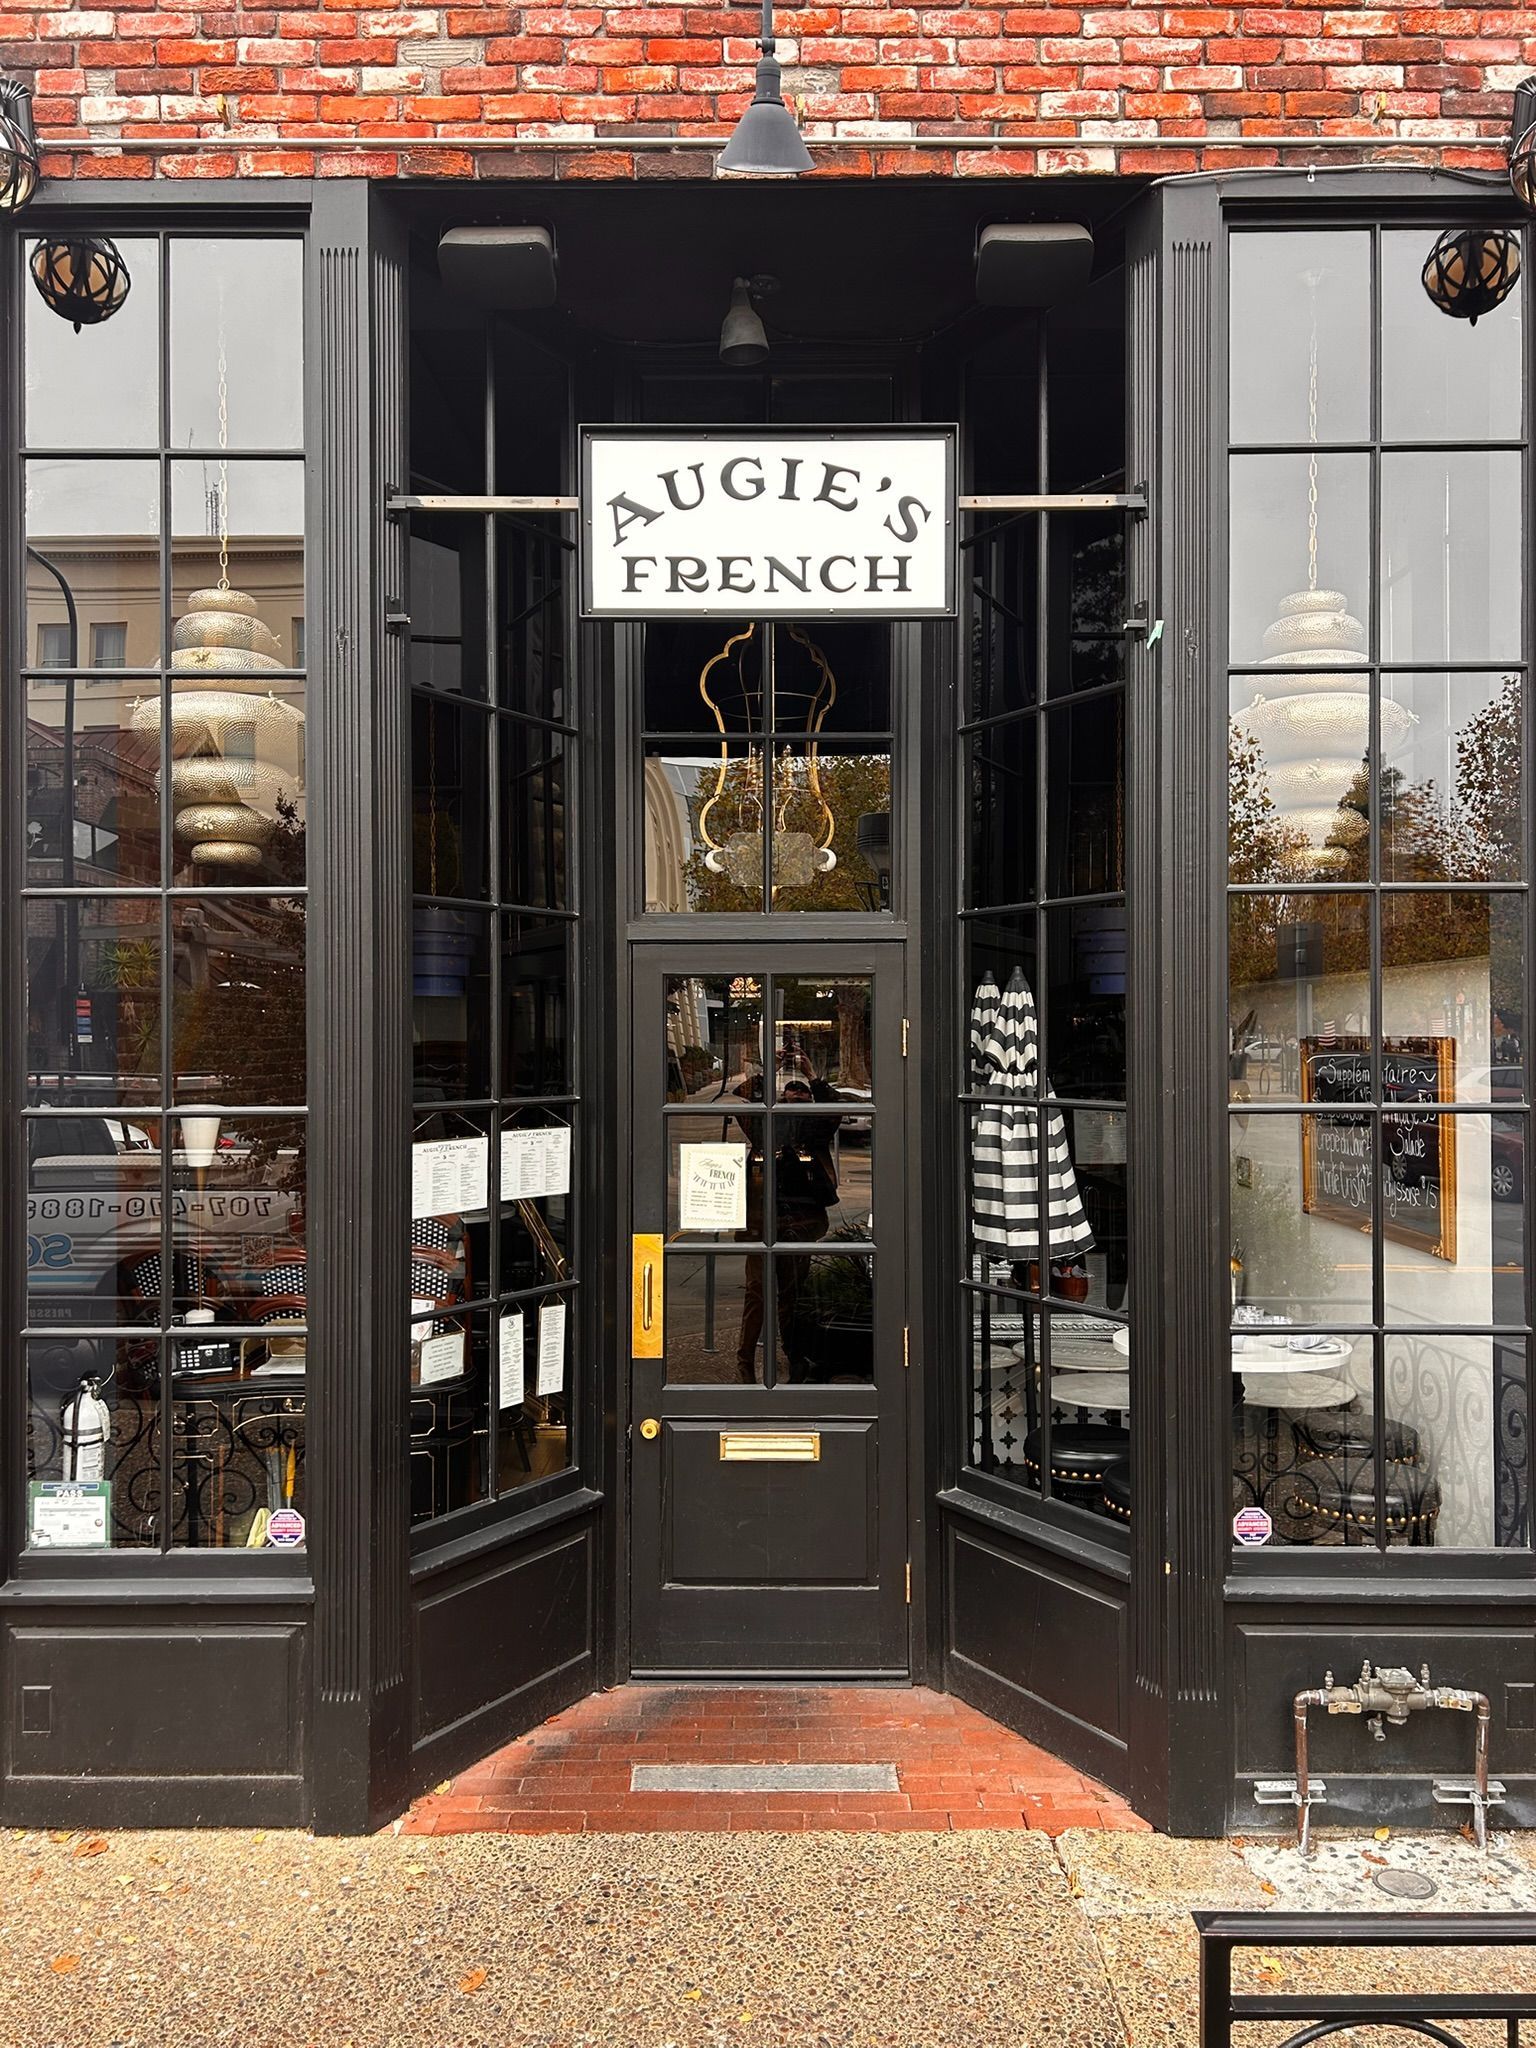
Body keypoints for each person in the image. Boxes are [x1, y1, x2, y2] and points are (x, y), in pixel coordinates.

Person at [730, 1046, 842, 1383]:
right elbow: (746, 1098)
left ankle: (795, 1357)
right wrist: (770, 1071)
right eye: (787, 1099)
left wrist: (813, 1076)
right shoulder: (765, 1127)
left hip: (801, 1219)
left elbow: (834, 1112)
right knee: (757, 1293)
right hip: (763, 1220)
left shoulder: (814, 1132)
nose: (792, 1106)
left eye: (801, 1101)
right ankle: (746, 1361)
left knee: (791, 1295)